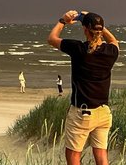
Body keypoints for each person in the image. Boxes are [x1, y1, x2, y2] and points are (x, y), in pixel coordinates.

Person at [47, 10, 120, 165]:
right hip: (103, 112)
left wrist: (63, 21)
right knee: (101, 155)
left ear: (85, 30)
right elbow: (114, 41)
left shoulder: (78, 49)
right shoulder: (111, 52)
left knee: (73, 156)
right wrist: (95, 23)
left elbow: (52, 39)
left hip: (82, 114)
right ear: (100, 30)